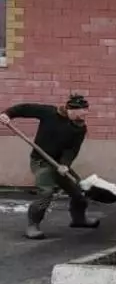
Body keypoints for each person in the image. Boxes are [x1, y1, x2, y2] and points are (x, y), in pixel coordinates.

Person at [0, 93, 96, 240]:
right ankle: (33, 226)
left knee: (78, 190)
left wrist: (64, 164)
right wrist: (8, 114)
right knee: (46, 192)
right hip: (41, 161)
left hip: (59, 164)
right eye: (83, 111)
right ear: (72, 110)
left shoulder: (79, 128)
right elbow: (25, 108)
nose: (85, 114)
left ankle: (79, 219)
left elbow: (72, 149)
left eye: (86, 111)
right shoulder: (49, 113)